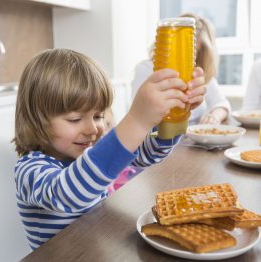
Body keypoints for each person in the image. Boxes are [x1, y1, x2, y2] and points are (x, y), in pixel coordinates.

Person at [13, 48, 205, 250]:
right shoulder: (29, 169)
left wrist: (174, 116)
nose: (92, 129)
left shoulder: (88, 152)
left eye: (98, 116)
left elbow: (146, 154)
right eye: (75, 119)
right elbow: (69, 193)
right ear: (37, 121)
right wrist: (137, 121)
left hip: (98, 254)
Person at [131, 13, 231, 125]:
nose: (185, 57)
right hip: (157, 139)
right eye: (181, 49)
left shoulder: (197, 73)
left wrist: (214, 116)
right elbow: (139, 119)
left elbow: (222, 103)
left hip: (192, 141)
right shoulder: (146, 70)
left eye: (193, 52)